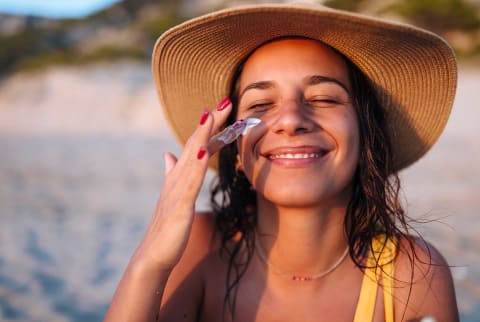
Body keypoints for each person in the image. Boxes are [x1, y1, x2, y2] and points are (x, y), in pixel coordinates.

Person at [104, 3, 459, 322]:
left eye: (322, 98)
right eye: (259, 106)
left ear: (366, 135)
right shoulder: (198, 249)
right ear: (236, 151)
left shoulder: (412, 275)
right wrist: (149, 262)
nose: (290, 120)